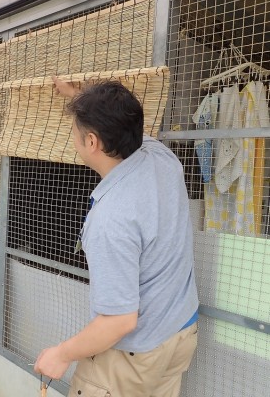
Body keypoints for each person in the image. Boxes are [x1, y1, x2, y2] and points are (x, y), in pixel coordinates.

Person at [34, 78, 199, 397]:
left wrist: (61, 354)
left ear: (92, 142)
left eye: (76, 131)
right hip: (180, 334)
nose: (74, 137)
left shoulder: (111, 218)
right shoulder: (161, 157)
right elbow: (125, 124)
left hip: (133, 356)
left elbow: (120, 321)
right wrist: (78, 95)